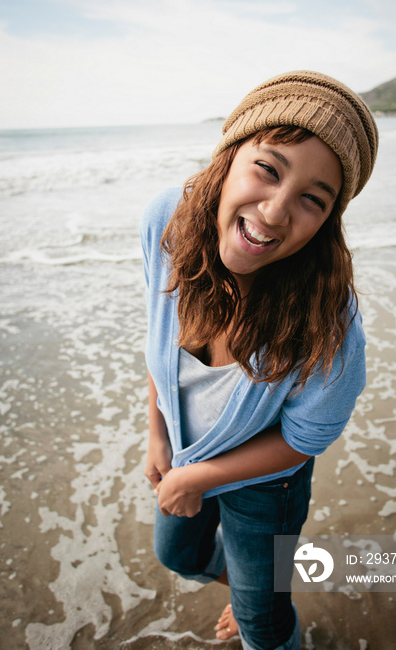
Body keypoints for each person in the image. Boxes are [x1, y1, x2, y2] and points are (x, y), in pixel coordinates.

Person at [140, 70, 378, 649]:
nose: (273, 212)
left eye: (312, 200)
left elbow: (306, 438)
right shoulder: (169, 221)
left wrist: (198, 475)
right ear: (229, 156)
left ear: (328, 221)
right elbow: (156, 327)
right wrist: (157, 432)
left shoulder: (328, 317)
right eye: (267, 169)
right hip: (187, 450)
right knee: (178, 554)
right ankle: (248, 589)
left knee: (263, 628)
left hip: (267, 482)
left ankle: (260, 610)